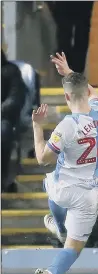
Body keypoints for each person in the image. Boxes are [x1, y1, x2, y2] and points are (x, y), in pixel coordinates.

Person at [33, 52, 98, 274]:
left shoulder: (65, 126)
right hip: (89, 196)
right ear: (87, 93)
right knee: (72, 250)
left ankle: (58, 223)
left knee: (49, 177)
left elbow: (42, 157)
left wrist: (37, 126)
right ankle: (50, 273)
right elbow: (92, 93)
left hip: (62, 189)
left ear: (66, 97)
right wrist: (69, 72)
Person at [1, 51, 27, 191]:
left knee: (3, 133)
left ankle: (2, 178)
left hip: (4, 119)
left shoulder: (11, 71)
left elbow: (15, 98)